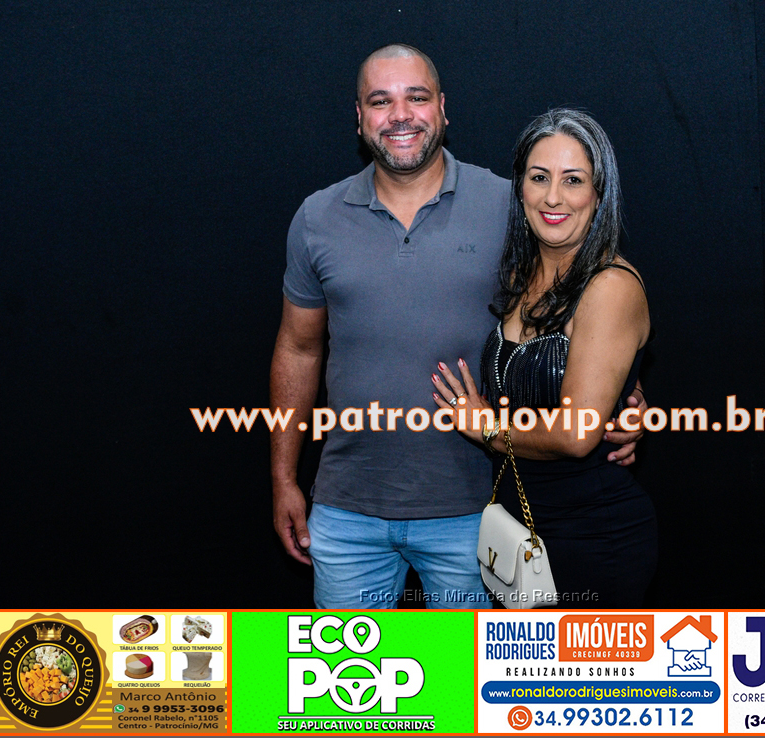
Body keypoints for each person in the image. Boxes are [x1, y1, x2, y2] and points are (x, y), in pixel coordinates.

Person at [270, 46, 644, 608]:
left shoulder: (511, 205)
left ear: (443, 108)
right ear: (359, 116)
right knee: (347, 666)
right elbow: (298, 350)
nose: (401, 114)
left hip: (478, 511)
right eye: (381, 101)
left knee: (467, 667)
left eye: (417, 97)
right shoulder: (316, 218)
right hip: (347, 511)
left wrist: (621, 392)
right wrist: (283, 478)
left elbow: (577, 307)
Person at [431, 108, 657, 608]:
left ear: (599, 194)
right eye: (539, 177)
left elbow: (577, 435)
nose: (553, 197)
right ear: (520, 188)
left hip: (593, 538)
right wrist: (630, 394)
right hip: (518, 536)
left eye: (573, 180)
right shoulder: (521, 276)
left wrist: (486, 428)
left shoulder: (610, 287)